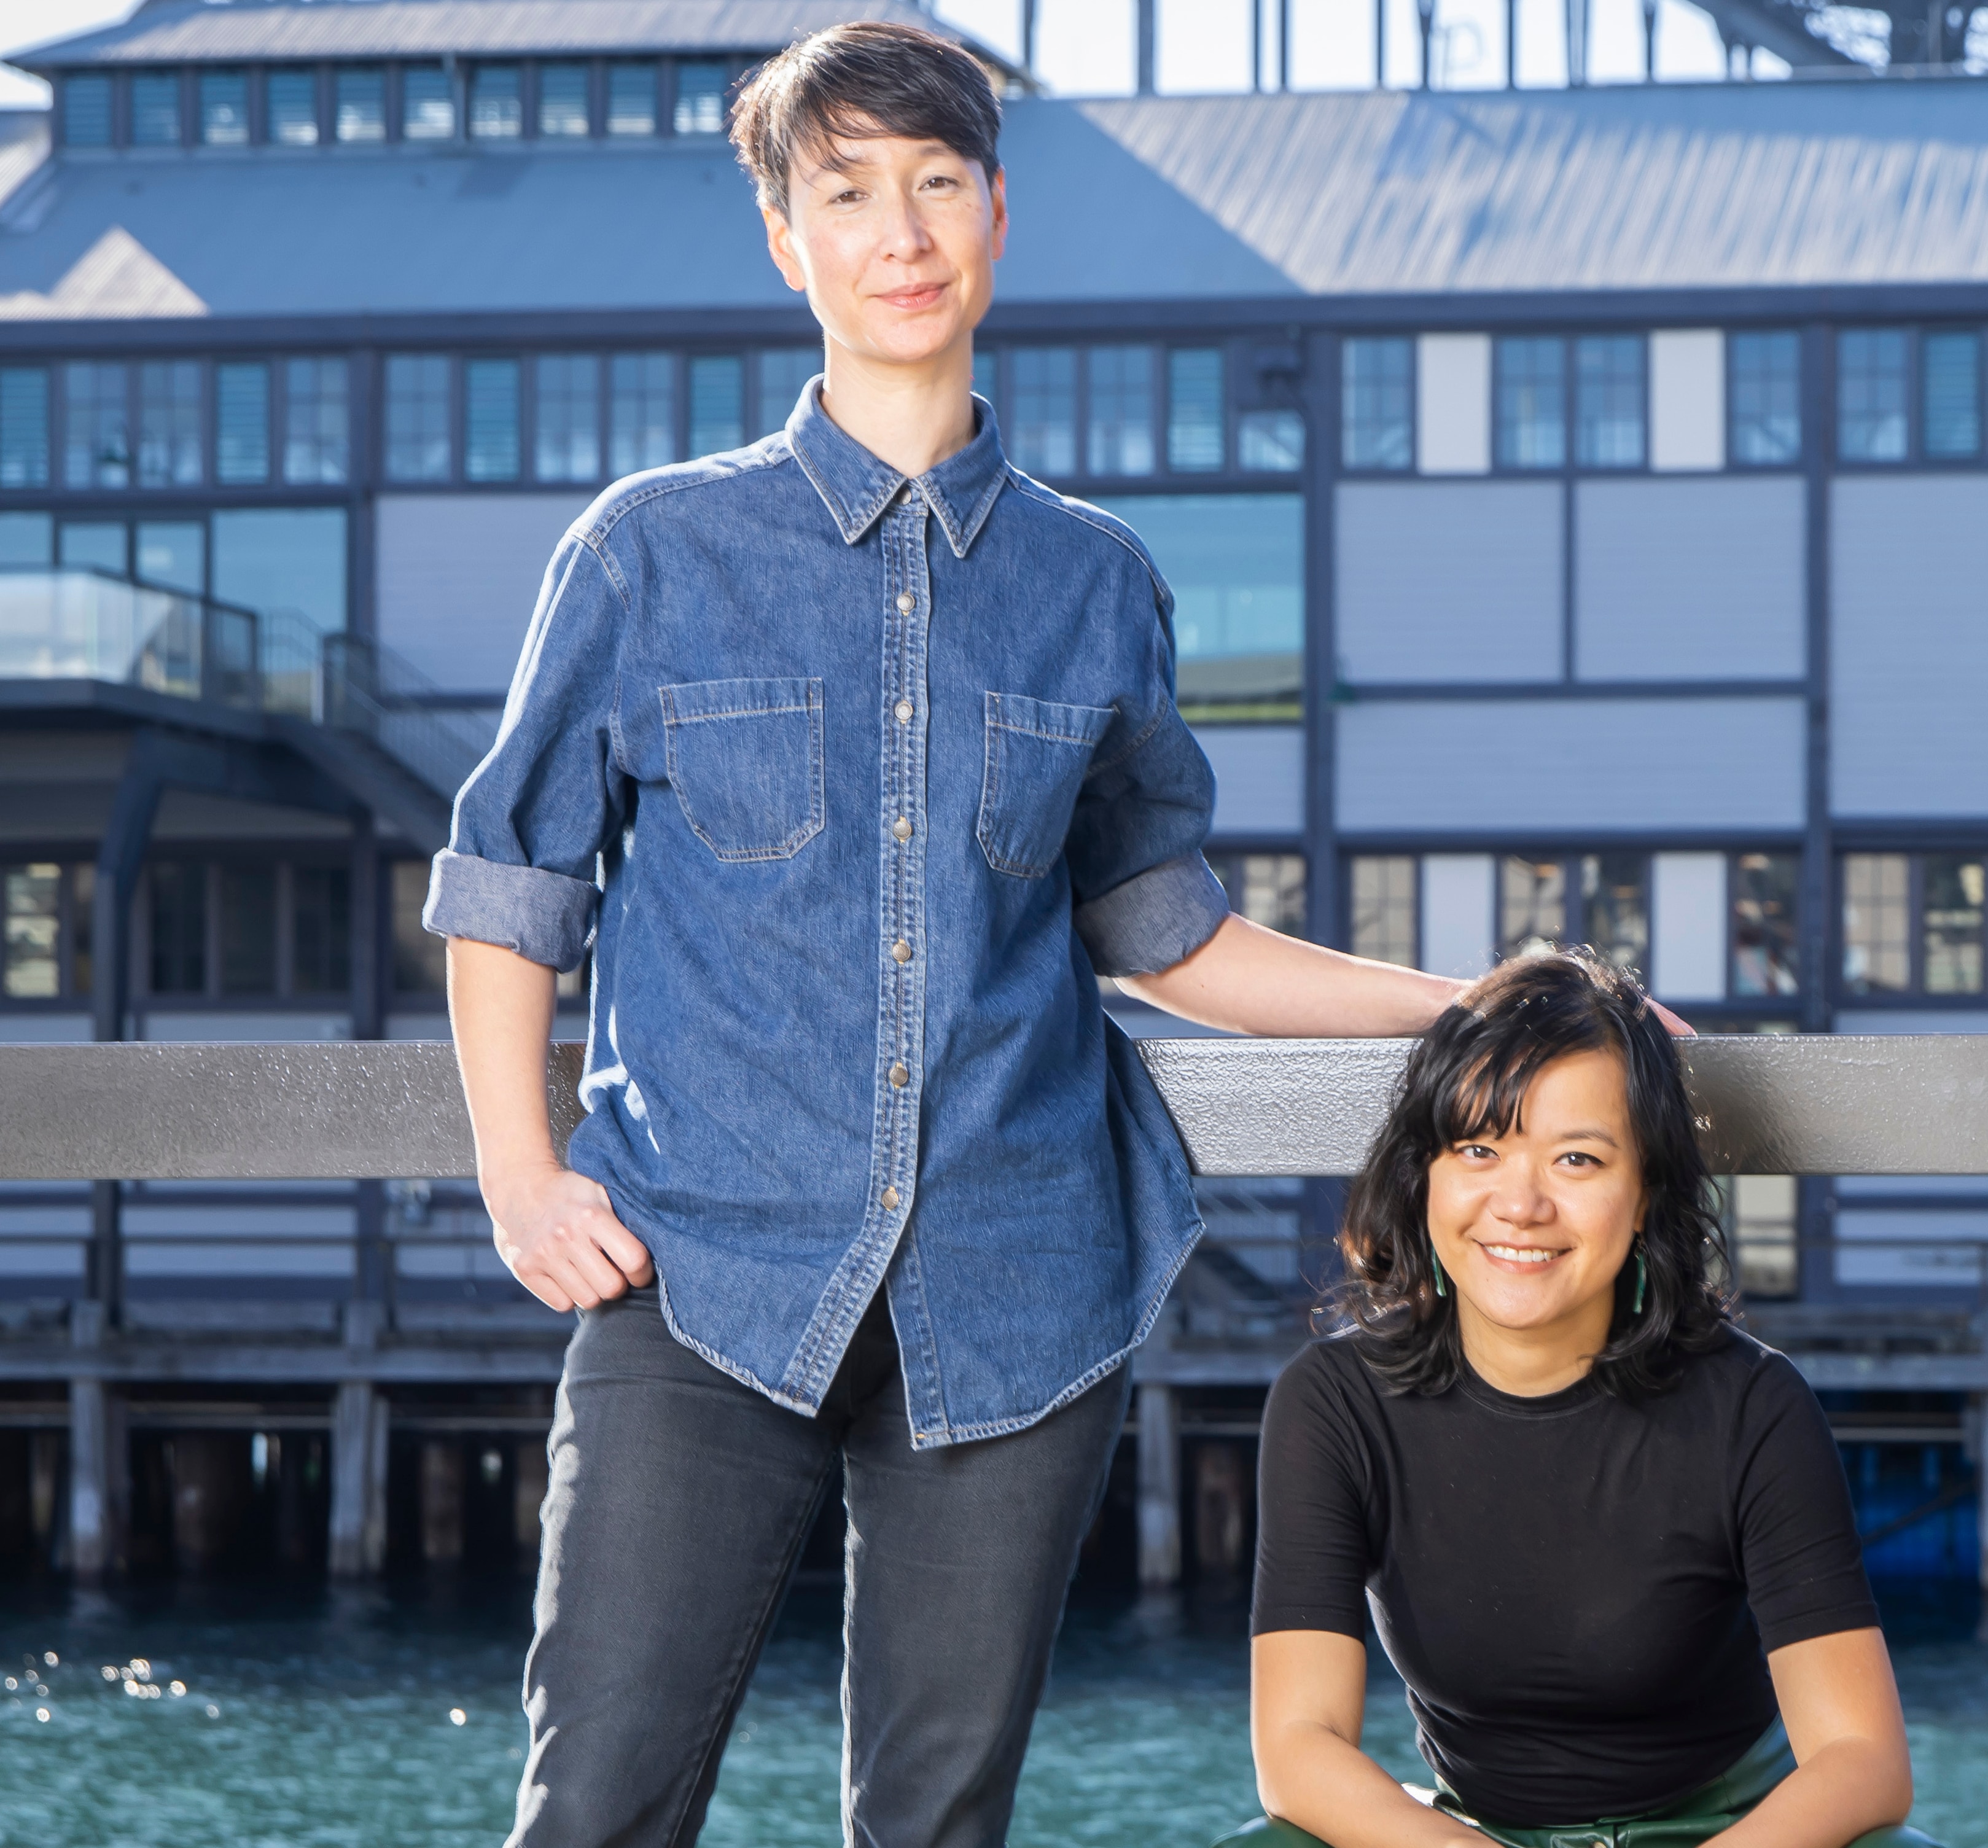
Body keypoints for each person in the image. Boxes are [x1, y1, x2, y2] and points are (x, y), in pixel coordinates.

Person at [426, 23, 1468, 1847]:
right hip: (699, 1276)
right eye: (846, 193)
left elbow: (1167, 932)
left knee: (938, 1823)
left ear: (995, 212)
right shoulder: (647, 552)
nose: (897, 231)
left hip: (1017, 1283)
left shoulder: (1098, 582)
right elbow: (515, 883)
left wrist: (1474, 1006)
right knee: (594, 1806)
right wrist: (520, 1174)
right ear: (786, 240)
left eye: (933, 183)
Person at [1224, 953, 1945, 1848]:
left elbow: (1863, 1758)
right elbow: (1298, 1747)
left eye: (1576, 1157)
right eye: (1478, 1148)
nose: (1519, 1203)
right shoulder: (1333, 1401)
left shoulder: (1752, 1404)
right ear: (1426, 1177)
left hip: (1729, 1829)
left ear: (1643, 1193)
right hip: (1472, 1833)